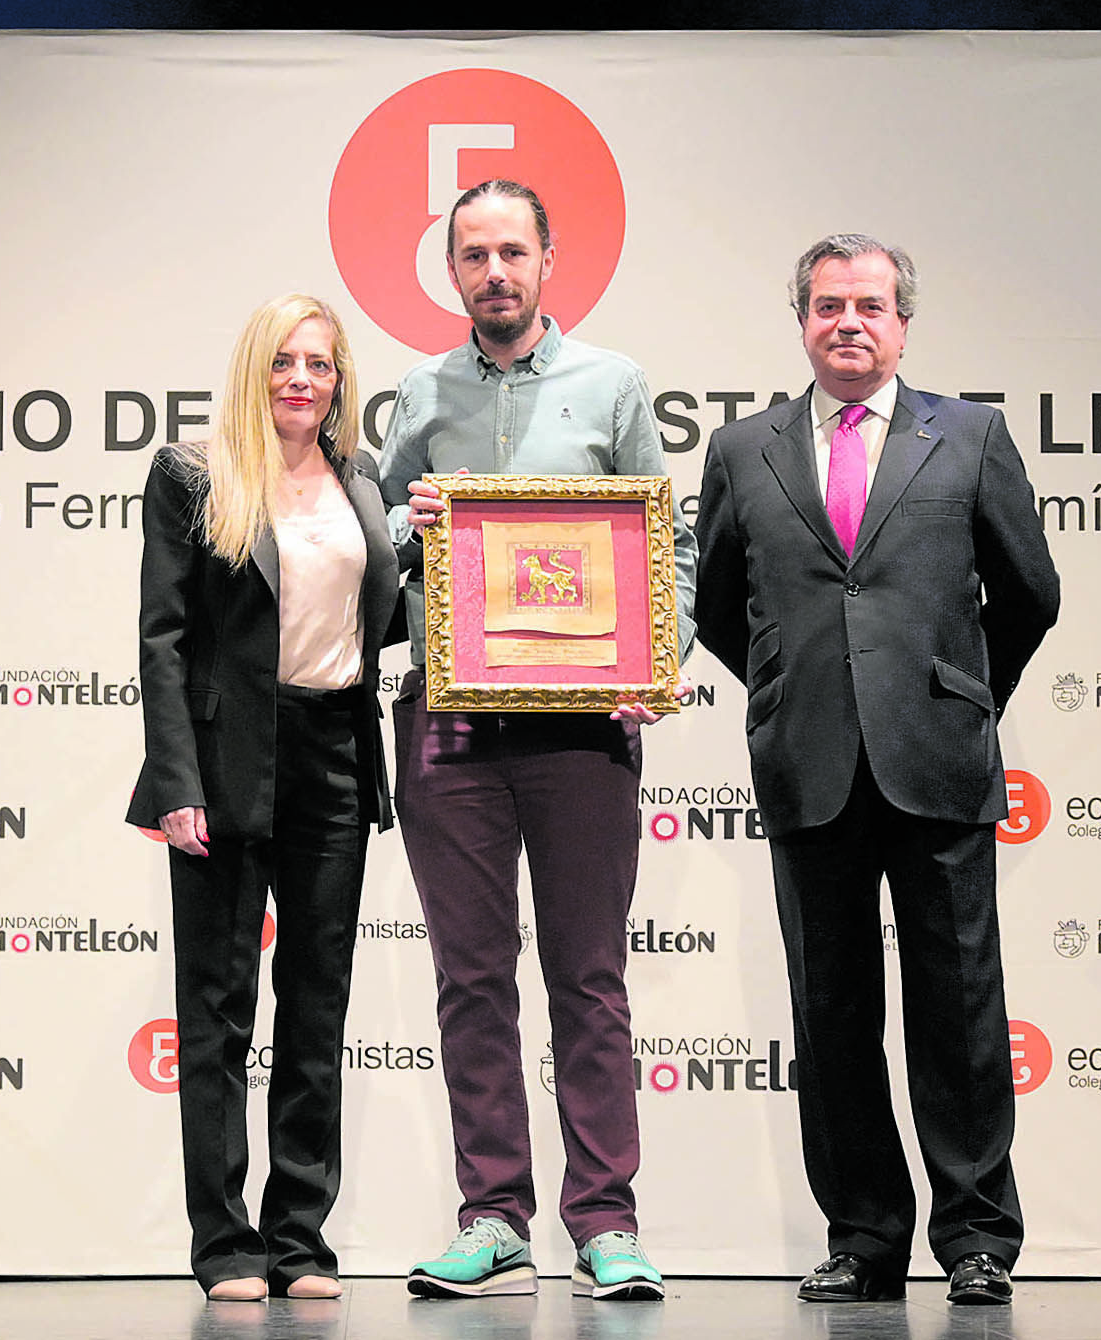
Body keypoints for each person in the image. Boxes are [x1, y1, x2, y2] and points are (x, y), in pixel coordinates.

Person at [692, 235, 1060, 1306]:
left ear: (903, 323)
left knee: (959, 1004)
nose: (846, 322)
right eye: (825, 305)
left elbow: (1027, 589)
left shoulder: (972, 435)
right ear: (800, 321)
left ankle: (979, 1236)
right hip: (806, 754)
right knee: (833, 1009)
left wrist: (960, 685)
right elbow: (718, 602)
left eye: (867, 305)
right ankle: (861, 1235)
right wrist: (774, 685)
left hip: (935, 755)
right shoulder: (740, 447)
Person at [378, 179, 694, 1302]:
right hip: (448, 720)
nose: (494, 271)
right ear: (452, 270)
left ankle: (606, 1222)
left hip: (580, 732)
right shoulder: (416, 393)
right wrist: (399, 528)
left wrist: (662, 662)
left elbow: (669, 549)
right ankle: (492, 1216)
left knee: (589, 980)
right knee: (470, 980)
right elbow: (376, 556)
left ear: (548, 260)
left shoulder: (613, 386)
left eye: (513, 250)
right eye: (474, 254)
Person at [126, 293, 401, 1301]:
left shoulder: (362, 478)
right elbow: (162, 639)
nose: (301, 379)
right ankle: (224, 1243)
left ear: (340, 379)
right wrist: (174, 781)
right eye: (284, 361)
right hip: (226, 754)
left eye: (320, 364)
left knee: (317, 1006)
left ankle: (299, 1240)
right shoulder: (194, 473)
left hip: (335, 749)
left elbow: (387, 611)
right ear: (255, 370)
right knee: (217, 1012)